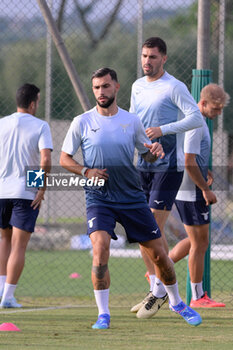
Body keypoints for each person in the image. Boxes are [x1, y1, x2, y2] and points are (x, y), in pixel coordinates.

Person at [60, 67, 202, 329]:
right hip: (99, 198)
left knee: (160, 255)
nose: (101, 92)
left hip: (131, 197)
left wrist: (154, 151)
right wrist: (86, 171)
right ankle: (103, 314)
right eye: (96, 87)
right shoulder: (82, 121)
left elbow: (144, 154)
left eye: (105, 86)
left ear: (116, 87)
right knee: (100, 249)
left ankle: (177, 302)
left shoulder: (132, 121)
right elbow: (64, 158)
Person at [130, 36, 203, 317]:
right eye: (144, 56)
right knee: (141, 231)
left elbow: (195, 117)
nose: (147, 61)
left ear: (164, 59)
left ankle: (162, 290)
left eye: (153, 57)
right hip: (143, 165)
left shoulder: (174, 86)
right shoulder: (137, 86)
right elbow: (135, 122)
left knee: (151, 228)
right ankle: (155, 288)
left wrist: (163, 130)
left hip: (168, 166)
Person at [168, 83, 230, 307]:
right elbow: (188, 161)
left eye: (221, 109)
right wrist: (204, 188)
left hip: (188, 187)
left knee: (195, 240)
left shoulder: (197, 120)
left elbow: (191, 156)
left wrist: (206, 171)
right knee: (200, 244)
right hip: (191, 190)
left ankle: (160, 270)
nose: (218, 113)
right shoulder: (195, 123)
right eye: (216, 108)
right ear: (203, 103)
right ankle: (197, 297)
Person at [0, 83, 53, 308]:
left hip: (1, 191)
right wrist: (40, 188)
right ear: (33, 103)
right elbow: (45, 160)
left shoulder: (2, 123)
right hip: (25, 192)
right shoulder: (41, 126)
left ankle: (2, 291)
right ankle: (8, 297)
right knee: (19, 246)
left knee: (4, 240)